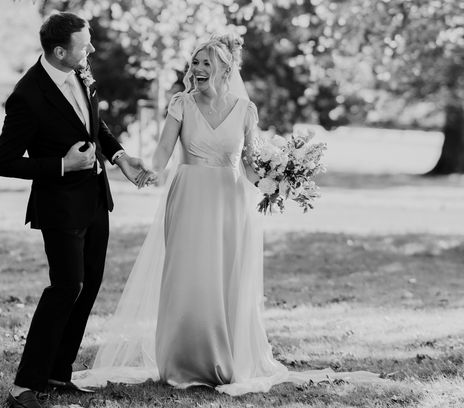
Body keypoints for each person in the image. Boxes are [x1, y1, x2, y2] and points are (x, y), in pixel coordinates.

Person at [73, 32, 379, 395]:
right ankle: (180, 359)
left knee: (223, 279)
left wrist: (281, 176)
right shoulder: (181, 104)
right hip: (188, 197)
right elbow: (162, 155)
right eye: (195, 63)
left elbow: (250, 168)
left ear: (225, 70)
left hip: (230, 201)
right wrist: (141, 169)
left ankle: (224, 358)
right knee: (187, 277)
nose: (198, 69)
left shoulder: (245, 111)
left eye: (206, 64)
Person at [0, 11, 151, 408]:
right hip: (59, 206)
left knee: (89, 285)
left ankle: (55, 374)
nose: (92, 49)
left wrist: (117, 155)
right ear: (60, 51)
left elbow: (91, 126)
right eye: (86, 44)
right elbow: (5, 162)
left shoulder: (80, 73)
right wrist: (63, 165)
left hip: (95, 200)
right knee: (65, 287)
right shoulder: (27, 94)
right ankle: (23, 386)